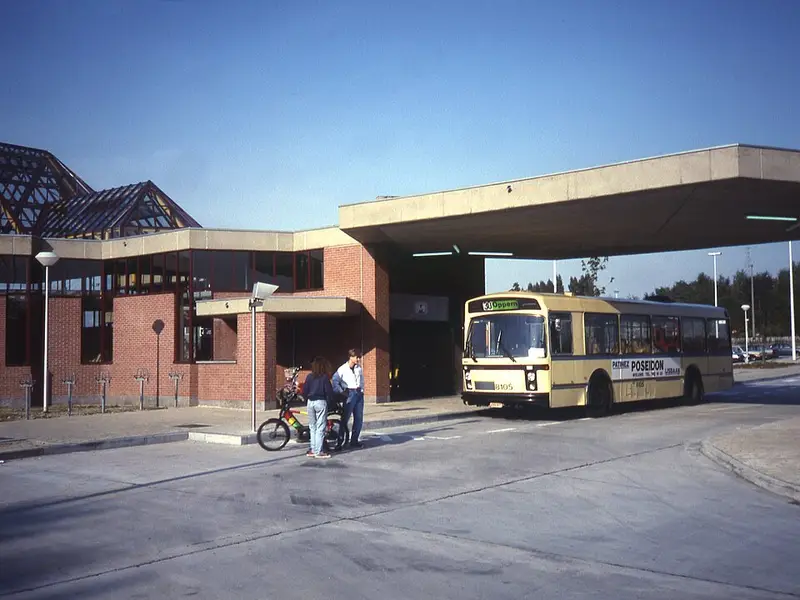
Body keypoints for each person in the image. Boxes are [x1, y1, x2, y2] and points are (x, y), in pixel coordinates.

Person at [301, 356, 334, 459]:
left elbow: (305, 391)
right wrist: (330, 402)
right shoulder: (324, 378)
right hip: (320, 402)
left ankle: (313, 449)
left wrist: (307, 399)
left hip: (310, 402)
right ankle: (318, 451)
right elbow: (329, 392)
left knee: (312, 427)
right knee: (320, 427)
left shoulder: (309, 377)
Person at [335, 349, 364, 449]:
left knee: (359, 418)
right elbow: (335, 381)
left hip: (359, 393)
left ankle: (354, 440)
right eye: (357, 357)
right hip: (349, 393)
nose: (359, 359)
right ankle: (340, 441)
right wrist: (341, 391)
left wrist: (362, 389)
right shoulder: (342, 369)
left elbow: (361, 379)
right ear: (351, 357)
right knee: (345, 418)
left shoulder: (359, 368)